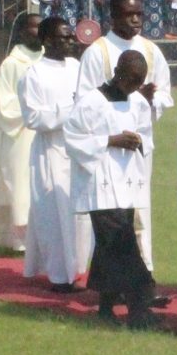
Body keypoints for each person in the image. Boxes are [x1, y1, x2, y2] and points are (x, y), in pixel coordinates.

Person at [79, 0, 173, 268]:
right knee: (111, 214)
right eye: (129, 14)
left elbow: (166, 94)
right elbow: (85, 102)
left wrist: (149, 101)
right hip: (107, 147)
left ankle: (144, 276)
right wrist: (130, 101)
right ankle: (113, 282)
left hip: (139, 144)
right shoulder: (97, 53)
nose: (135, 20)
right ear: (112, 17)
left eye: (139, 14)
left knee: (139, 211)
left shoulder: (151, 50)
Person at [65, 49, 159, 328]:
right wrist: (110, 140)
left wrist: (137, 140)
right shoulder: (91, 102)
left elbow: (148, 137)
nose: (134, 87)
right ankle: (140, 306)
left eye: (139, 82)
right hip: (100, 183)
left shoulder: (138, 103)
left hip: (127, 182)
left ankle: (105, 308)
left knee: (110, 247)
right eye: (131, 80)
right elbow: (72, 138)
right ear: (117, 72)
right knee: (122, 245)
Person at [19, 15, 89, 291]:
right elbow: (33, 117)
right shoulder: (33, 74)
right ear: (47, 40)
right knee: (52, 214)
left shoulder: (76, 67)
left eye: (71, 36)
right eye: (64, 37)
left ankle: (79, 268)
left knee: (78, 214)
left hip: (78, 149)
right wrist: (69, 110)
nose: (71, 41)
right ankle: (59, 275)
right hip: (50, 150)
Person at [0, 13, 41, 250]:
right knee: (19, 182)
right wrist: (34, 110)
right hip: (19, 132)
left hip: (45, 132)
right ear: (23, 32)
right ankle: (18, 239)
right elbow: (3, 104)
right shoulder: (12, 64)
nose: (39, 31)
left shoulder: (50, 59)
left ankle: (38, 236)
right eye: (35, 27)